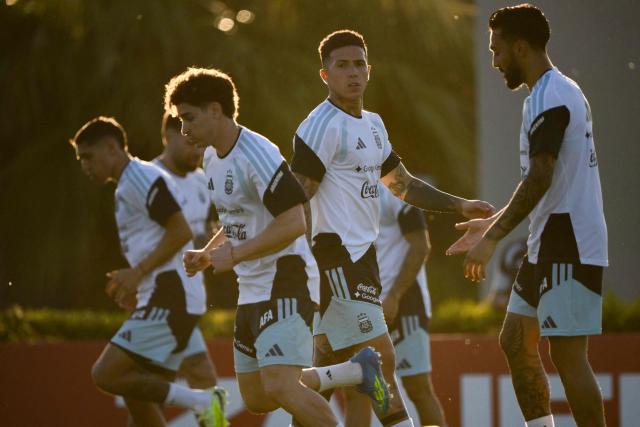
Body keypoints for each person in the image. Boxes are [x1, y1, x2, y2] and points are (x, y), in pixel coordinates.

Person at [164, 67, 391, 427]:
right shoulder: (210, 158)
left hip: (287, 279)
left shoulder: (257, 153)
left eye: (188, 118)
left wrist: (235, 254)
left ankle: (357, 374)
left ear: (215, 110)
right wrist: (210, 252)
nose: (184, 129)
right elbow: (238, 218)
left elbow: (294, 221)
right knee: (256, 397)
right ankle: (356, 372)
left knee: (281, 386)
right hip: (252, 288)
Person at [290, 29, 494, 427]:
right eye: (342, 65)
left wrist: (461, 203)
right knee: (380, 359)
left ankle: (283, 386)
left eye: (359, 63)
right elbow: (297, 199)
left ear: (370, 70)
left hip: (363, 261)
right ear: (324, 75)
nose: (353, 72)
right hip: (336, 258)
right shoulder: (320, 125)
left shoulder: (374, 126)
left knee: (326, 369)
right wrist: (298, 263)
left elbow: (403, 185)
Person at [447, 4, 608, 427]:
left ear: (520, 47)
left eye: (497, 50)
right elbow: (544, 183)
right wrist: (493, 221)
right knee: (516, 340)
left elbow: (539, 177)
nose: (495, 61)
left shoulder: (553, 95)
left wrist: (494, 236)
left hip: (569, 241)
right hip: (547, 240)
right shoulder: (544, 93)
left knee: (568, 355)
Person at [70, 117, 225, 427]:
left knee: (107, 374)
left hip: (171, 299)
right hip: (167, 296)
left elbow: (180, 231)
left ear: (112, 148)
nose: (85, 165)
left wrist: (138, 273)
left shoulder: (138, 177)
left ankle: (203, 400)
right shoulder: (131, 182)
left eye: (88, 156)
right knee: (138, 398)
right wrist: (138, 284)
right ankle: (205, 402)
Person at [343, 186, 446, 426]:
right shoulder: (344, 187)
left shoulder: (394, 187)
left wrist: (394, 296)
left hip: (405, 302)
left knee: (417, 387)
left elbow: (421, 245)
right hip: (363, 304)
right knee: (356, 389)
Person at [152, 112, 228, 426]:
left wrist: (216, 237)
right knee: (136, 386)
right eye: (188, 141)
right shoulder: (150, 179)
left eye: (199, 142)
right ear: (167, 135)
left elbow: (208, 233)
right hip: (162, 299)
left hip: (189, 299)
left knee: (198, 377)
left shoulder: (201, 180)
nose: (198, 150)